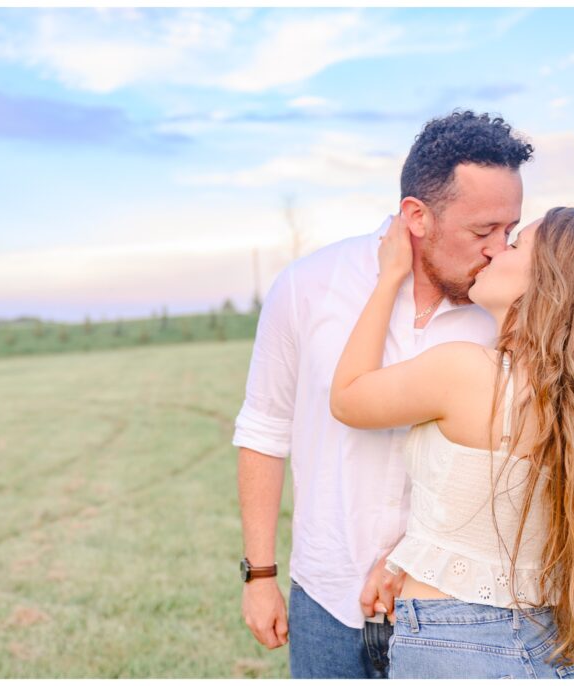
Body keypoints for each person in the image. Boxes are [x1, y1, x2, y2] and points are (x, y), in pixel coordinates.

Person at [232, 110, 533, 678]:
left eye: (510, 231)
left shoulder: (507, 308)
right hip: (326, 595)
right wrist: (261, 576)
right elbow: (264, 429)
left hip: (455, 611)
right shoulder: (308, 286)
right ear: (416, 216)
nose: (499, 249)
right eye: (482, 231)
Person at [330, 207, 574, 678]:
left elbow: (348, 398)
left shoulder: (467, 371)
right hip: (544, 643)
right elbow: (485, 512)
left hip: (458, 646)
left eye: (514, 244)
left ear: (547, 282)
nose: (494, 249)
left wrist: (390, 277)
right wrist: (405, 563)